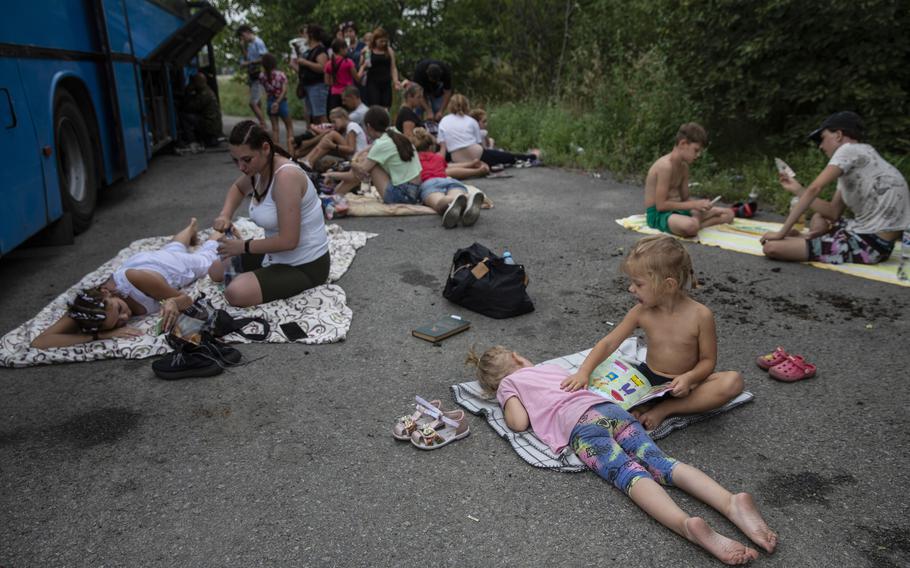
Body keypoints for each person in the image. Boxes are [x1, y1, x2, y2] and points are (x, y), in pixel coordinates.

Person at [467, 343, 777, 565]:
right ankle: (729, 502)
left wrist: (506, 401)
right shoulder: (550, 369)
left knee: (630, 475)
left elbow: (518, 423)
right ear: (520, 358)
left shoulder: (508, 386)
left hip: (583, 429)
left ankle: (686, 525)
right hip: (610, 410)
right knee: (660, 462)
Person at [562, 235, 745, 431]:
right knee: (604, 410)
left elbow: (708, 361)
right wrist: (584, 372)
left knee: (732, 382)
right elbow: (609, 343)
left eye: (638, 284)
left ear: (668, 285)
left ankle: (666, 409)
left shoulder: (701, 315)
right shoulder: (641, 312)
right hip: (647, 380)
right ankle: (645, 406)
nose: (631, 288)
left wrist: (690, 378)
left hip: (684, 384)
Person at [31, 219, 222, 349]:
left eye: (120, 309)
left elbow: (185, 299)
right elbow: (40, 341)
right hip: (144, 262)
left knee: (205, 260)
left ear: (107, 292)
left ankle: (218, 230)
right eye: (117, 322)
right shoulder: (89, 309)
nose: (125, 316)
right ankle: (190, 227)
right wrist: (100, 336)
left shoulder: (136, 279)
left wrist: (172, 302)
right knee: (172, 248)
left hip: (165, 267)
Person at [760, 111, 910, 264]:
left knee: (772, 247)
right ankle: (810, 238)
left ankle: (806, 239)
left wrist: (780, 233)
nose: (820, 146)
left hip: (870, 245)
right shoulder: (861, 159)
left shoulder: (848, 149)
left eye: (823, 138)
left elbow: (814, 189)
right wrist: (797, 189)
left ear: (838, 135)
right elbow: (833, 212)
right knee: (820, 216)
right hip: (872, 236)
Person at [210, 121, 330, 307]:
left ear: (265, 148)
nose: (241, 167)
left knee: (235, 292)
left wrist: (243, 246)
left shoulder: (285, 177)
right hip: (275, 254)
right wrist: (225, 215)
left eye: (246, 160)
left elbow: (289, 241)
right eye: (236, 160)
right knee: (216, 270)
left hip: (305, 265)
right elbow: (238, 188)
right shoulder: (259, 168)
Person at [644, 123, 734, 237]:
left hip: (679, 212)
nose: (698, 155)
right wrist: (695, 205)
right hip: (660, 214)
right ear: (683, 143)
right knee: (690, 226)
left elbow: (685, 199)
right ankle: (696, 224)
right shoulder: (665, 166)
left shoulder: (684, 167)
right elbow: (661, 206)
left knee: (729, 214)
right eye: (696, 150)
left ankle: (697, 224)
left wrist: (701, 206)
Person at [343, 106, 421, 204]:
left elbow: (359, 172)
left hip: (403, 196)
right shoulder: (394, 132)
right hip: (415, 190)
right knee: (371, 159)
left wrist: (352, 161)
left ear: (369, 127)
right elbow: (373, 147)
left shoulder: (380, 145)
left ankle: (336, 194)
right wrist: (360, 152)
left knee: (372, 166)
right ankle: (337, 194)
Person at [437, 94, 539, 168]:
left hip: (457, 158)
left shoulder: (443, 121)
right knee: (508, 157)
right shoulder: (471, 121)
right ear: (466, 106)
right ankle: (532, 156)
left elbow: (443, 148)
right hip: (477, 154)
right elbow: (479, 144)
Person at [411, 127, 484, 227]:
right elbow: (449, 167)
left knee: (440, 202)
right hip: (448, 180)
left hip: (428, 183)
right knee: (458, 195)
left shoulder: (413, 160)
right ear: (431, 146)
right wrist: (471, 164)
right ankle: (468, 199)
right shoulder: (438, 157)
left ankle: (450, 203)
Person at [301, 107, 367, 169]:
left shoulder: (352, 126)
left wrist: (333, 146)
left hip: (358, 158)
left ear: (342, 117)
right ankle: (308, 160)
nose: (333, 125)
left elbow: (351, 149)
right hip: (353, 157)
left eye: (334, 122)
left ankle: (308, 160)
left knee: (332, 134)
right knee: (327, 142)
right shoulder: (345, 129)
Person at [292, 24, 329, 125]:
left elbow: (322, 67)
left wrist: (305, 63)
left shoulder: (320, 50)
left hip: (317, 86)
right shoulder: (308, 50)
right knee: (313, 115)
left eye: (306, 34)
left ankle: (327, 136)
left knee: (320, 115)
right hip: (308, 86)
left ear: (311, 35)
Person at [259, 53, 294, 153]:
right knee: (289, 126)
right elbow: (284, 91)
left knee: (275, 129)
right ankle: (291, 151)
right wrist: (278, 102)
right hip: (281, 102)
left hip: (270, 102)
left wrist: (273, 102)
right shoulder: (280, 75)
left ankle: (276, 152)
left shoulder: (262, 76)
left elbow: (264, 90)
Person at [359, 28, 400, 110]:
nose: (383, 43)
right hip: (373, 82)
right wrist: (363, 56)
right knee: (375, 106)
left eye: (385, 41)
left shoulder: (389, 50)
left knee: (386, 106)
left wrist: (395, 81)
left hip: (386, 82)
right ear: (375, 40)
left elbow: (393, 67)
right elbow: (362, 64)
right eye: (381, 41)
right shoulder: (369, 50)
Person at [179, 73, 223, 147]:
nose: (193, 84)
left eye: (194, 82)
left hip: (209, 125)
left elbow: (189, 108)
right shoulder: (207, 91)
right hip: (213, 125)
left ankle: (192, 141)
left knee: (184, 116)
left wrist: (188, 91)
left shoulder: (204, 94)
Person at [236, 25, 268, 128]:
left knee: (252, 103)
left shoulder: (258, 42)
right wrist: (242, 47)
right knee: (257, 102)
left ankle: (263, 125)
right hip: (252, 75)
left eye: (242, 36)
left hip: (258, 75)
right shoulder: (250, 44)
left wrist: (249, 63)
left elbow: (264, 58)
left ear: (246, 32)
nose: (242, 39)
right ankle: (262, 124)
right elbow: (247, 58)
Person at [324, 38, 359, 113]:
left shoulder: (328, 64)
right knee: (348, 115)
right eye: (346, 48)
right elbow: (357, 78)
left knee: (337, 115)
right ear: (341, 49)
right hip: (348, 92)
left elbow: (327, 82)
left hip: (334, 93)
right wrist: (363, 67)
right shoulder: (348, 62)